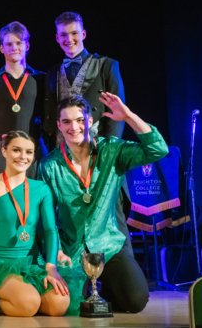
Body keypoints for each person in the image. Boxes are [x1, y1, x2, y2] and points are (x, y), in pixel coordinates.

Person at [38, 95, 168, 313]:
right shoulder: (49, 165)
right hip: (72, 250)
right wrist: (57, 252)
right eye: (67, 122)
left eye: (80, 120)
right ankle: (91, 288)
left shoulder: (112, 150)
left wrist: (128, 116)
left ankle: (106, 288)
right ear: (59, 125)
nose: (74, 127)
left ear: (89, 121)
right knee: (65, 305)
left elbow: (158, 149)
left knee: (136, 301)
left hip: (109, 246)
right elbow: (47, 215)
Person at [0, 131, 83, 316]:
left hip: (33, 263)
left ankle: (24, 298)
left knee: (59, 304)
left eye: (29, 152)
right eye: (16, 150)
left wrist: (51, 266)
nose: (23, 156)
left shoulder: (41, 189)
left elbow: (49, 230)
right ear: (4, 150)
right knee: (28, 304)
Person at [43, 11, 126, 149]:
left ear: (83, 34)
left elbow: (117, 111)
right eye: (63, 34)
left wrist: (111, 148)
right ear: (57, 38)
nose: (69, 39)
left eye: (74, 33)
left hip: (97, 145)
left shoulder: (106, 65)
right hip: (62, 148)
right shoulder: (52, 72)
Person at [0, 21, 46, 176]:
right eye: (9, 44)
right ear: (1, 48)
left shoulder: (40, 79)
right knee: (1, 197)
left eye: (19, 43)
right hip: (1, 150)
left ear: (27, 46)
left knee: (31, 197)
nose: (14, 48)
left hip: (32, 149)